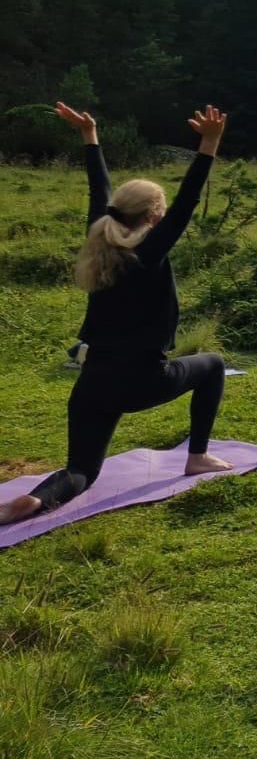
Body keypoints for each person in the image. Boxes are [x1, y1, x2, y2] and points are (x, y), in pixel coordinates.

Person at [1, 103, 234, 527]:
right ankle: (197, 456)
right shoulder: (147, 253)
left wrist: (91, 137)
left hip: (92, 382)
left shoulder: (100, 244)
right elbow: (187, 202)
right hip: (143, 380)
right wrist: (210, 143)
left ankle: (33, 501)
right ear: (153, 217)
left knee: (82, 472)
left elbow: (99, 190)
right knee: (214, 365)